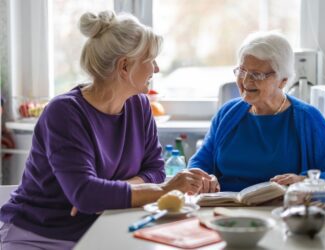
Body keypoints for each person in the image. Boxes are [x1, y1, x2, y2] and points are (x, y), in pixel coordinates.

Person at [0, 11, 211, 249]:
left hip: (99, 228)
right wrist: (163, 190)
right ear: (124, 66)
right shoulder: (64, 113)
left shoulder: (139, 105)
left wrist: (103, 194)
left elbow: (155, 169)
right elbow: (87, 195)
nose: (157, 68)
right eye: (151, 59)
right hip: (37, 236)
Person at [189, 31, 325, 193]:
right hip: (225, 209)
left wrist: (306, 181)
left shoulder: (307, 118)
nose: (245, 81)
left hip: (280, 213)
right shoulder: (227, 113)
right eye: (242, 71)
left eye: (256, 74)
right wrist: (204, 179)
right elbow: (199, 163)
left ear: (283, 81)